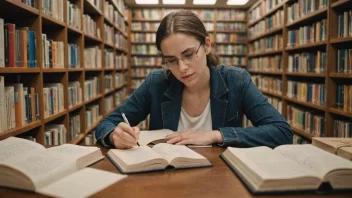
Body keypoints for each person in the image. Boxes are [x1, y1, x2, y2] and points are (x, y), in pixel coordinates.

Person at [96, 10, 293, 149]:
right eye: (171, 61)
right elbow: (107, 124)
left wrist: (216, 135)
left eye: (189, 55)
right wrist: (115, 135)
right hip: (164, 179)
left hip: (221, 179)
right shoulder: (156, 83)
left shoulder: (237, 80)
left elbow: (281, 131)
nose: (182, 68)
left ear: (207, 45)